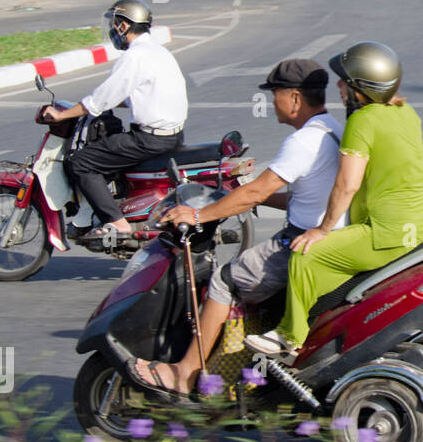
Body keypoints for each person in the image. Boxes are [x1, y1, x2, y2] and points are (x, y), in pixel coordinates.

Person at [127, 60, 344, 395]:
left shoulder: (303, 142)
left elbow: (257, 190)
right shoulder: (332, 130)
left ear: (296, 99)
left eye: (276, 95)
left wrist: (199, 216)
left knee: (223, 280)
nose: (272, 102)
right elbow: (300, 197)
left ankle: (184, 374)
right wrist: (240, 196)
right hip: (324, 239)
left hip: (297, 244)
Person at [264, 43, 423, 351]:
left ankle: (290, 337)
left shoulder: (362, 121)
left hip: (386, 232)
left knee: (306, 256)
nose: (339, 87)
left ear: (361, 88)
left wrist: (321, 230)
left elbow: (347, 184)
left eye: (345, 82)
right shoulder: (405, 112)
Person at [41, 0, 187, 239]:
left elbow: (100, 100)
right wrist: (95, 105)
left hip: (149, 139)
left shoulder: (134, 57)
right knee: (109, 148)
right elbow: (135, 95)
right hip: (172, 135)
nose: (112, 30)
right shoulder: (158, 51)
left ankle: (117, 223)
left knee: (81, 162)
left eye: (114, 24)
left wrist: (63, 114)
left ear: (122, 27)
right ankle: (101, 212)